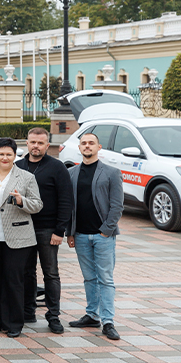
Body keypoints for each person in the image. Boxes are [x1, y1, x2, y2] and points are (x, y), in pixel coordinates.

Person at [0, 138, 42, 338]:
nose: (5, 158)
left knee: (13, 280)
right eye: (1, 154)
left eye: (9, 154)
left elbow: (37, 205)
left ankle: (15, 323)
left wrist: (22, 201)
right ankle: (0, 320)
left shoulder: (26, 177)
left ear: (15, 156)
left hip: (18, 238)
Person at [67, 133, 124, 341]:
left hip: (103, 236)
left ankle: (108, 321)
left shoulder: (112, 173)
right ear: (79, 147)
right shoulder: (71, 173)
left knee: (106, 279)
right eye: (83, 143)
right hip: (80, 235)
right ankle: (92, 315)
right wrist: (70, 232)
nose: (87, 146)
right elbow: (70, 206)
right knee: (89, 278)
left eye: (91, 143)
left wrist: (106, 230)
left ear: (99, 147)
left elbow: (117, 206)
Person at [17, 128, 73, 333]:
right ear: (27, 143)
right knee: (26, 272)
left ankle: (53, 315)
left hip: (48, 229)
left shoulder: (57, 168)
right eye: (32, 142)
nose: (36, 146)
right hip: (23, 228)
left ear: (47, 146)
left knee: (50, 273)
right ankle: (28, 311)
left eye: (40, 143)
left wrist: (60, 230)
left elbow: (66, 201)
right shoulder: (19, 166)